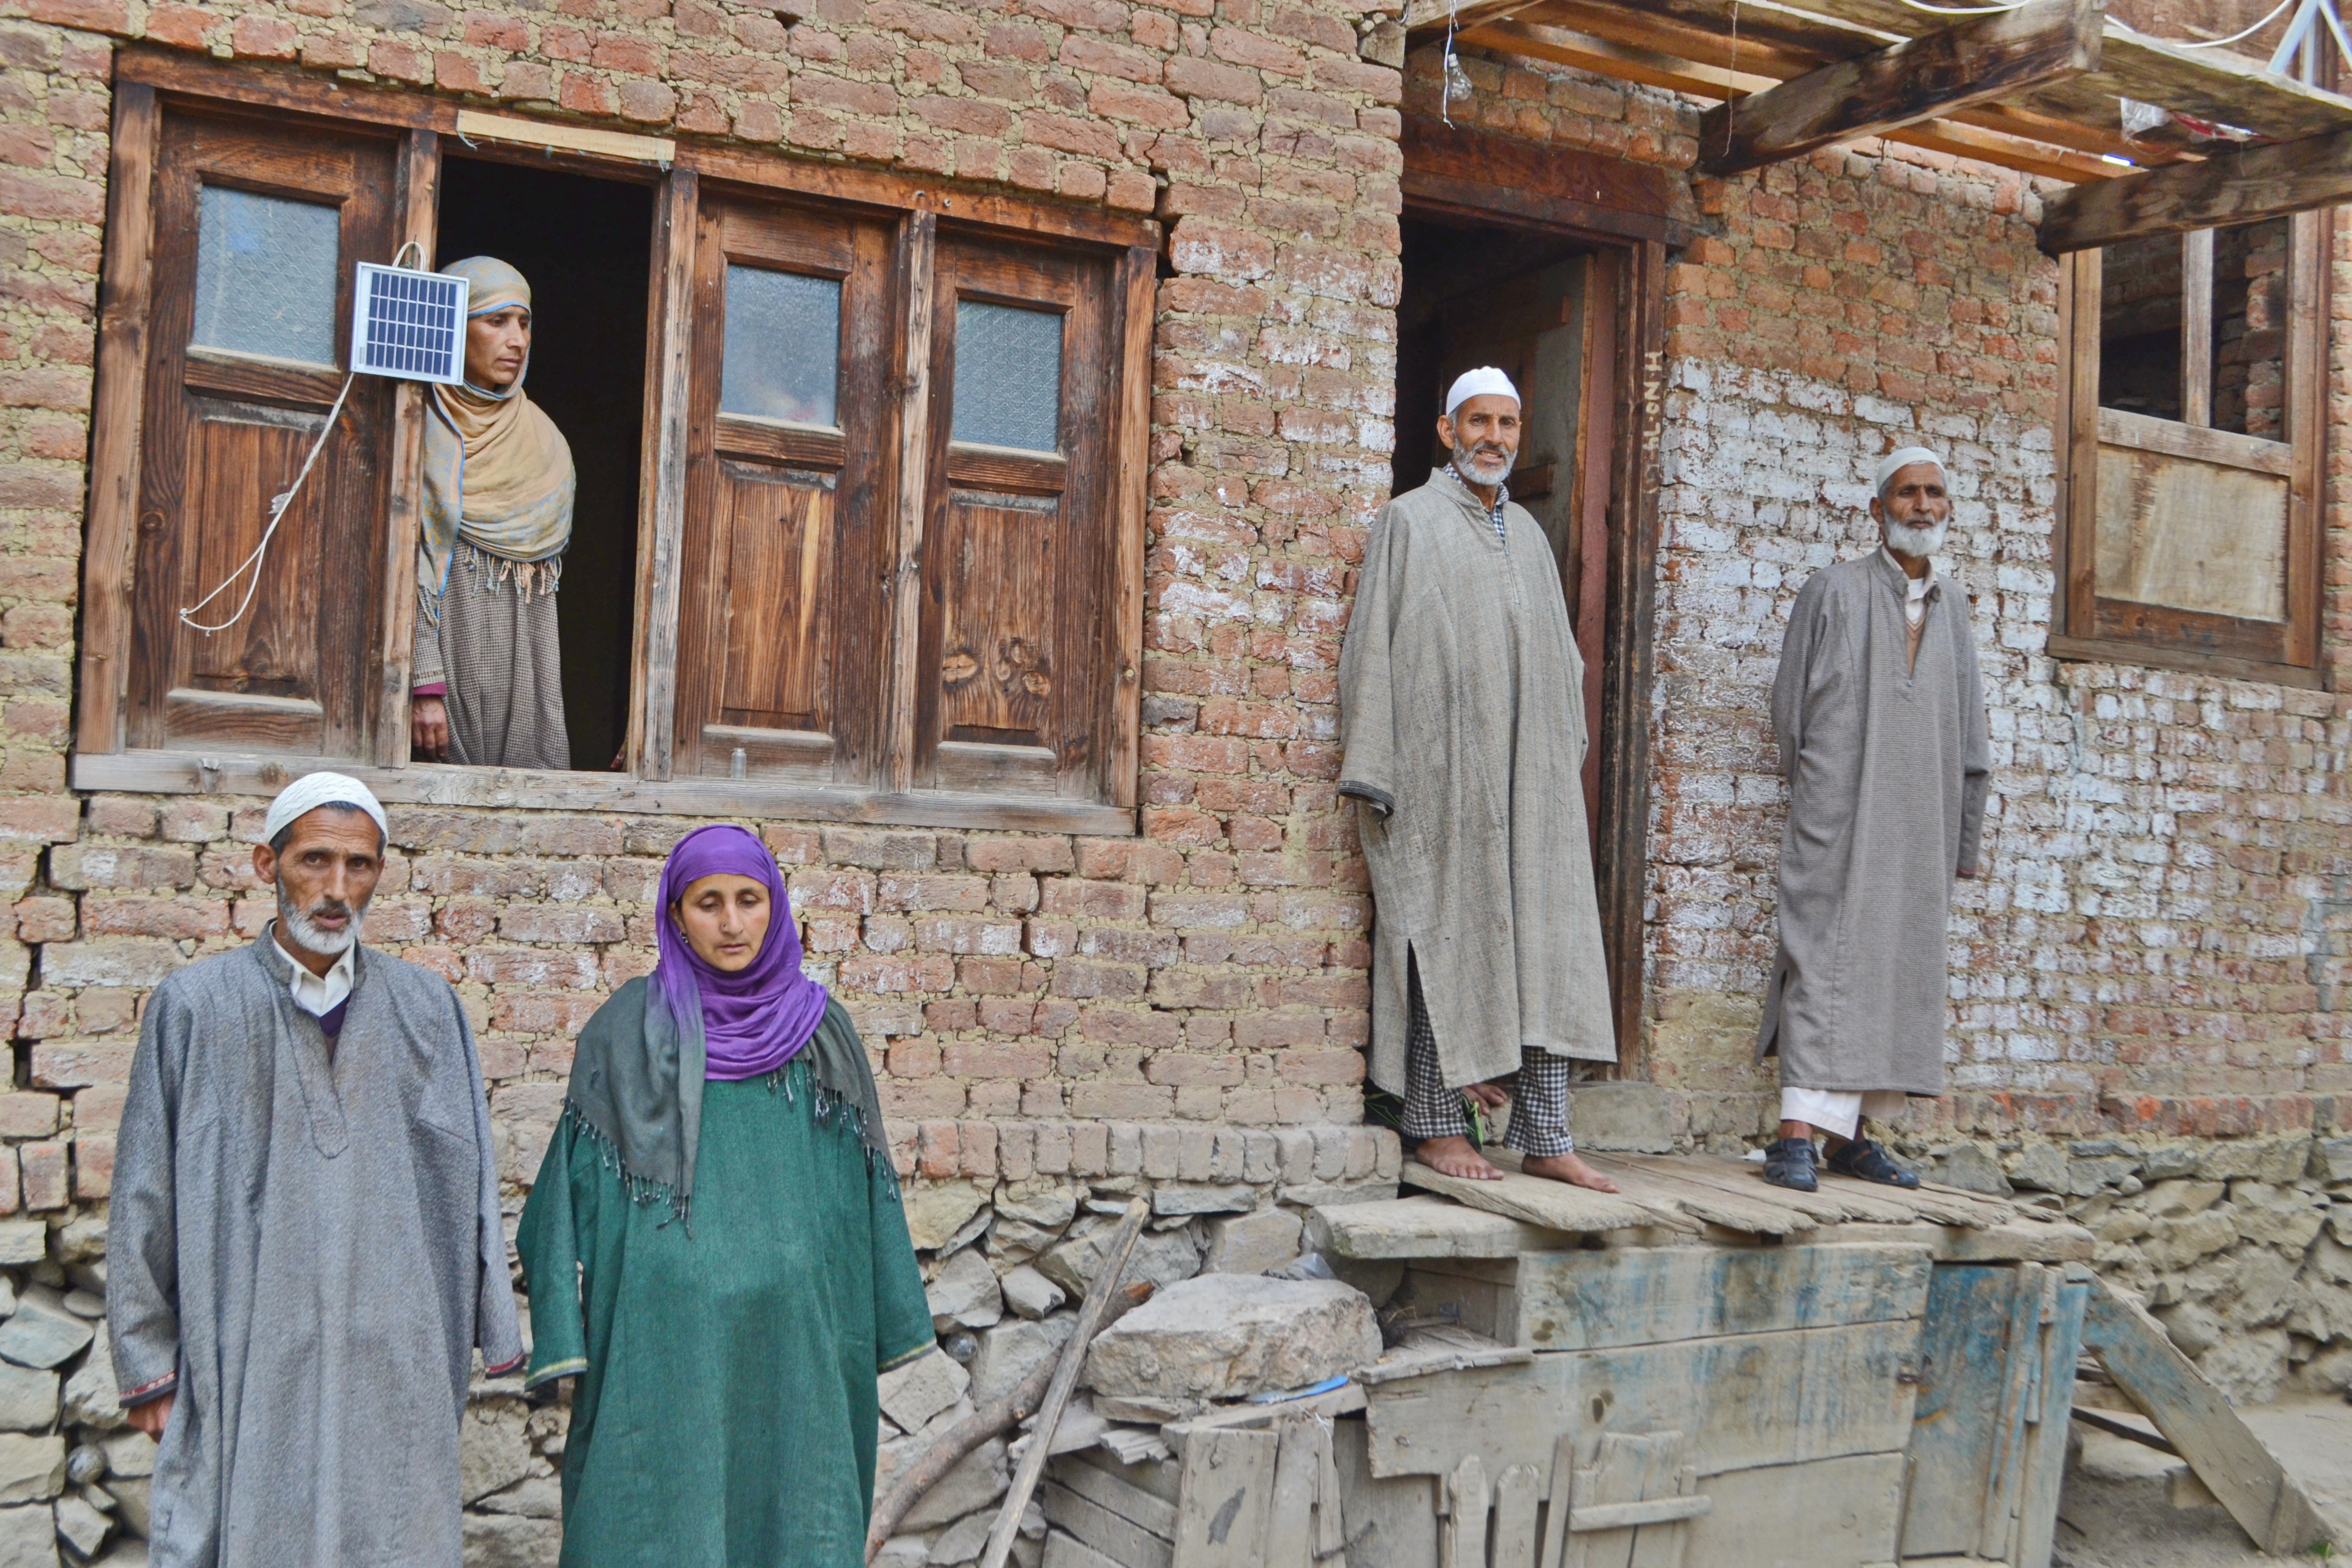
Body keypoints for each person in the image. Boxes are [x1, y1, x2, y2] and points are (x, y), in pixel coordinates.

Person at [107, 772, 523, 1567]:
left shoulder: (428, 1008)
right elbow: (142, 1193)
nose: (337, 889)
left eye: (359, 866)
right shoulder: (195, 1006)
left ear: (380, 873)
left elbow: (468, 1180)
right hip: (245, 1343)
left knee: (390, 1533)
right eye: (315, 861)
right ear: (268, 865)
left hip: (391, 1352)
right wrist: (149, 1364)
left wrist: (483, 1332)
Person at [517, 824, 935, 1565]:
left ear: (776, 908)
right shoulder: (624, 1031)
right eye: (709, 903)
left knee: (792, 1522)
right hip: (659, 1345)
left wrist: (886, 1311)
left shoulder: (823, 1035)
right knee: (650, 1523)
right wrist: (561, 1340)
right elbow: (557, 1203)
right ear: (676, 915)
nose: (732, 923)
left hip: (794, 1349)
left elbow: (863, 1195)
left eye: (749, 900)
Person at [1337, 366, 1621, 1193]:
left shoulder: (1529, 536)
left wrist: (1553, 756)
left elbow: (1559, 659)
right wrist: (1377, 763)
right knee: (1445, 933)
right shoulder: (1409, 522)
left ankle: (1544, 1134)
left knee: (1546, 942)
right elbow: (1372, 648)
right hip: (1443, 770)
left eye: (1506, 424)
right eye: (1478, 422)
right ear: (1445, 430)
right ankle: (1431, 1126)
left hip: (1528, 782)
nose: (1494, 437)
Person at [1756, 446, 1992, 1193]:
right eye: (1908, 494)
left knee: (1894, 966)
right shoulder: (1833, 591)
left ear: (1947, 509)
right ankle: (1795, 1135)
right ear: (1877, 510)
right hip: (1840, 814)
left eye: (1934, 495)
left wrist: (1962, 839)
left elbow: (1972, 737)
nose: (1922, 506)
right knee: (1821, 957)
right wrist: (1827, 794)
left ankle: (1850, 1140)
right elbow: (1789, 712)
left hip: (1920, 821)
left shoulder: (1953, 609)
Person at [411, 255, 575, 771]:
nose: (518, 340)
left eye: (524, 323)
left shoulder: (546, 443)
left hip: (521, 682)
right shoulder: (413, 428)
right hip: (438, 680)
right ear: (452, 329)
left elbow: (541, 604)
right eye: (497, 320)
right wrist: (423, 683)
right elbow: (403, 565)